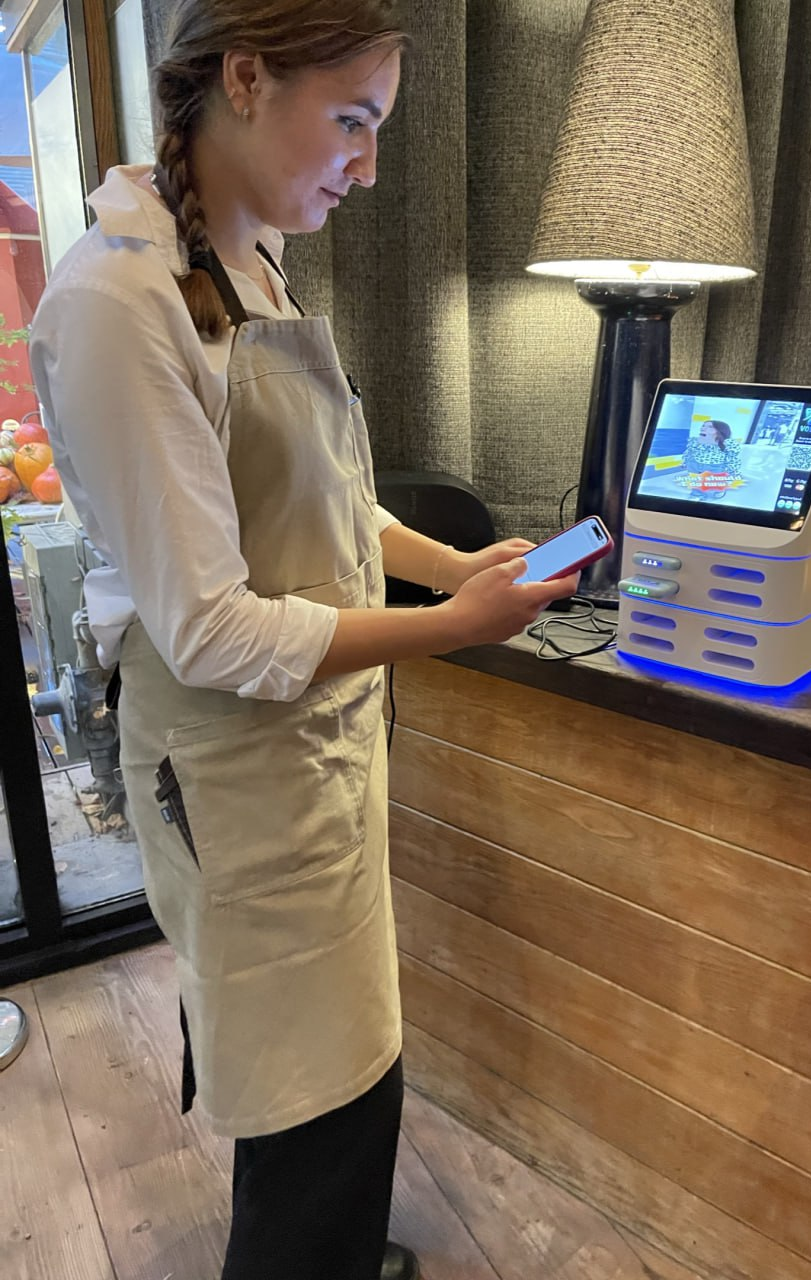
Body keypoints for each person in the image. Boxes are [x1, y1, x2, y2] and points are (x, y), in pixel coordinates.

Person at [28, 3, 577, 1278]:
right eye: (354, 121)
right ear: (243, 76)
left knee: (340, 1075)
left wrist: (454, 565)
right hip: (238, 770)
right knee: (305, 1093)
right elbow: (212, 626)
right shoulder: (119, 302)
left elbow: (329, 501)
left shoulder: (249, 258)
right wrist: (449, 629)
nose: (369, 164)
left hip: (309, 757)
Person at [681, 418, 742, 500]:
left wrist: (733, 470)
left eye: (710, 427)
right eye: (703, 426)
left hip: (715, 466)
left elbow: (733, 458)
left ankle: (718, 489)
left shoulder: (728, 444)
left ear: (719, 430)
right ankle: (696, 494)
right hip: (695, 464)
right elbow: (689, 452)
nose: (703, 428)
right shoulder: (695, 440)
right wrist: (685, 462)